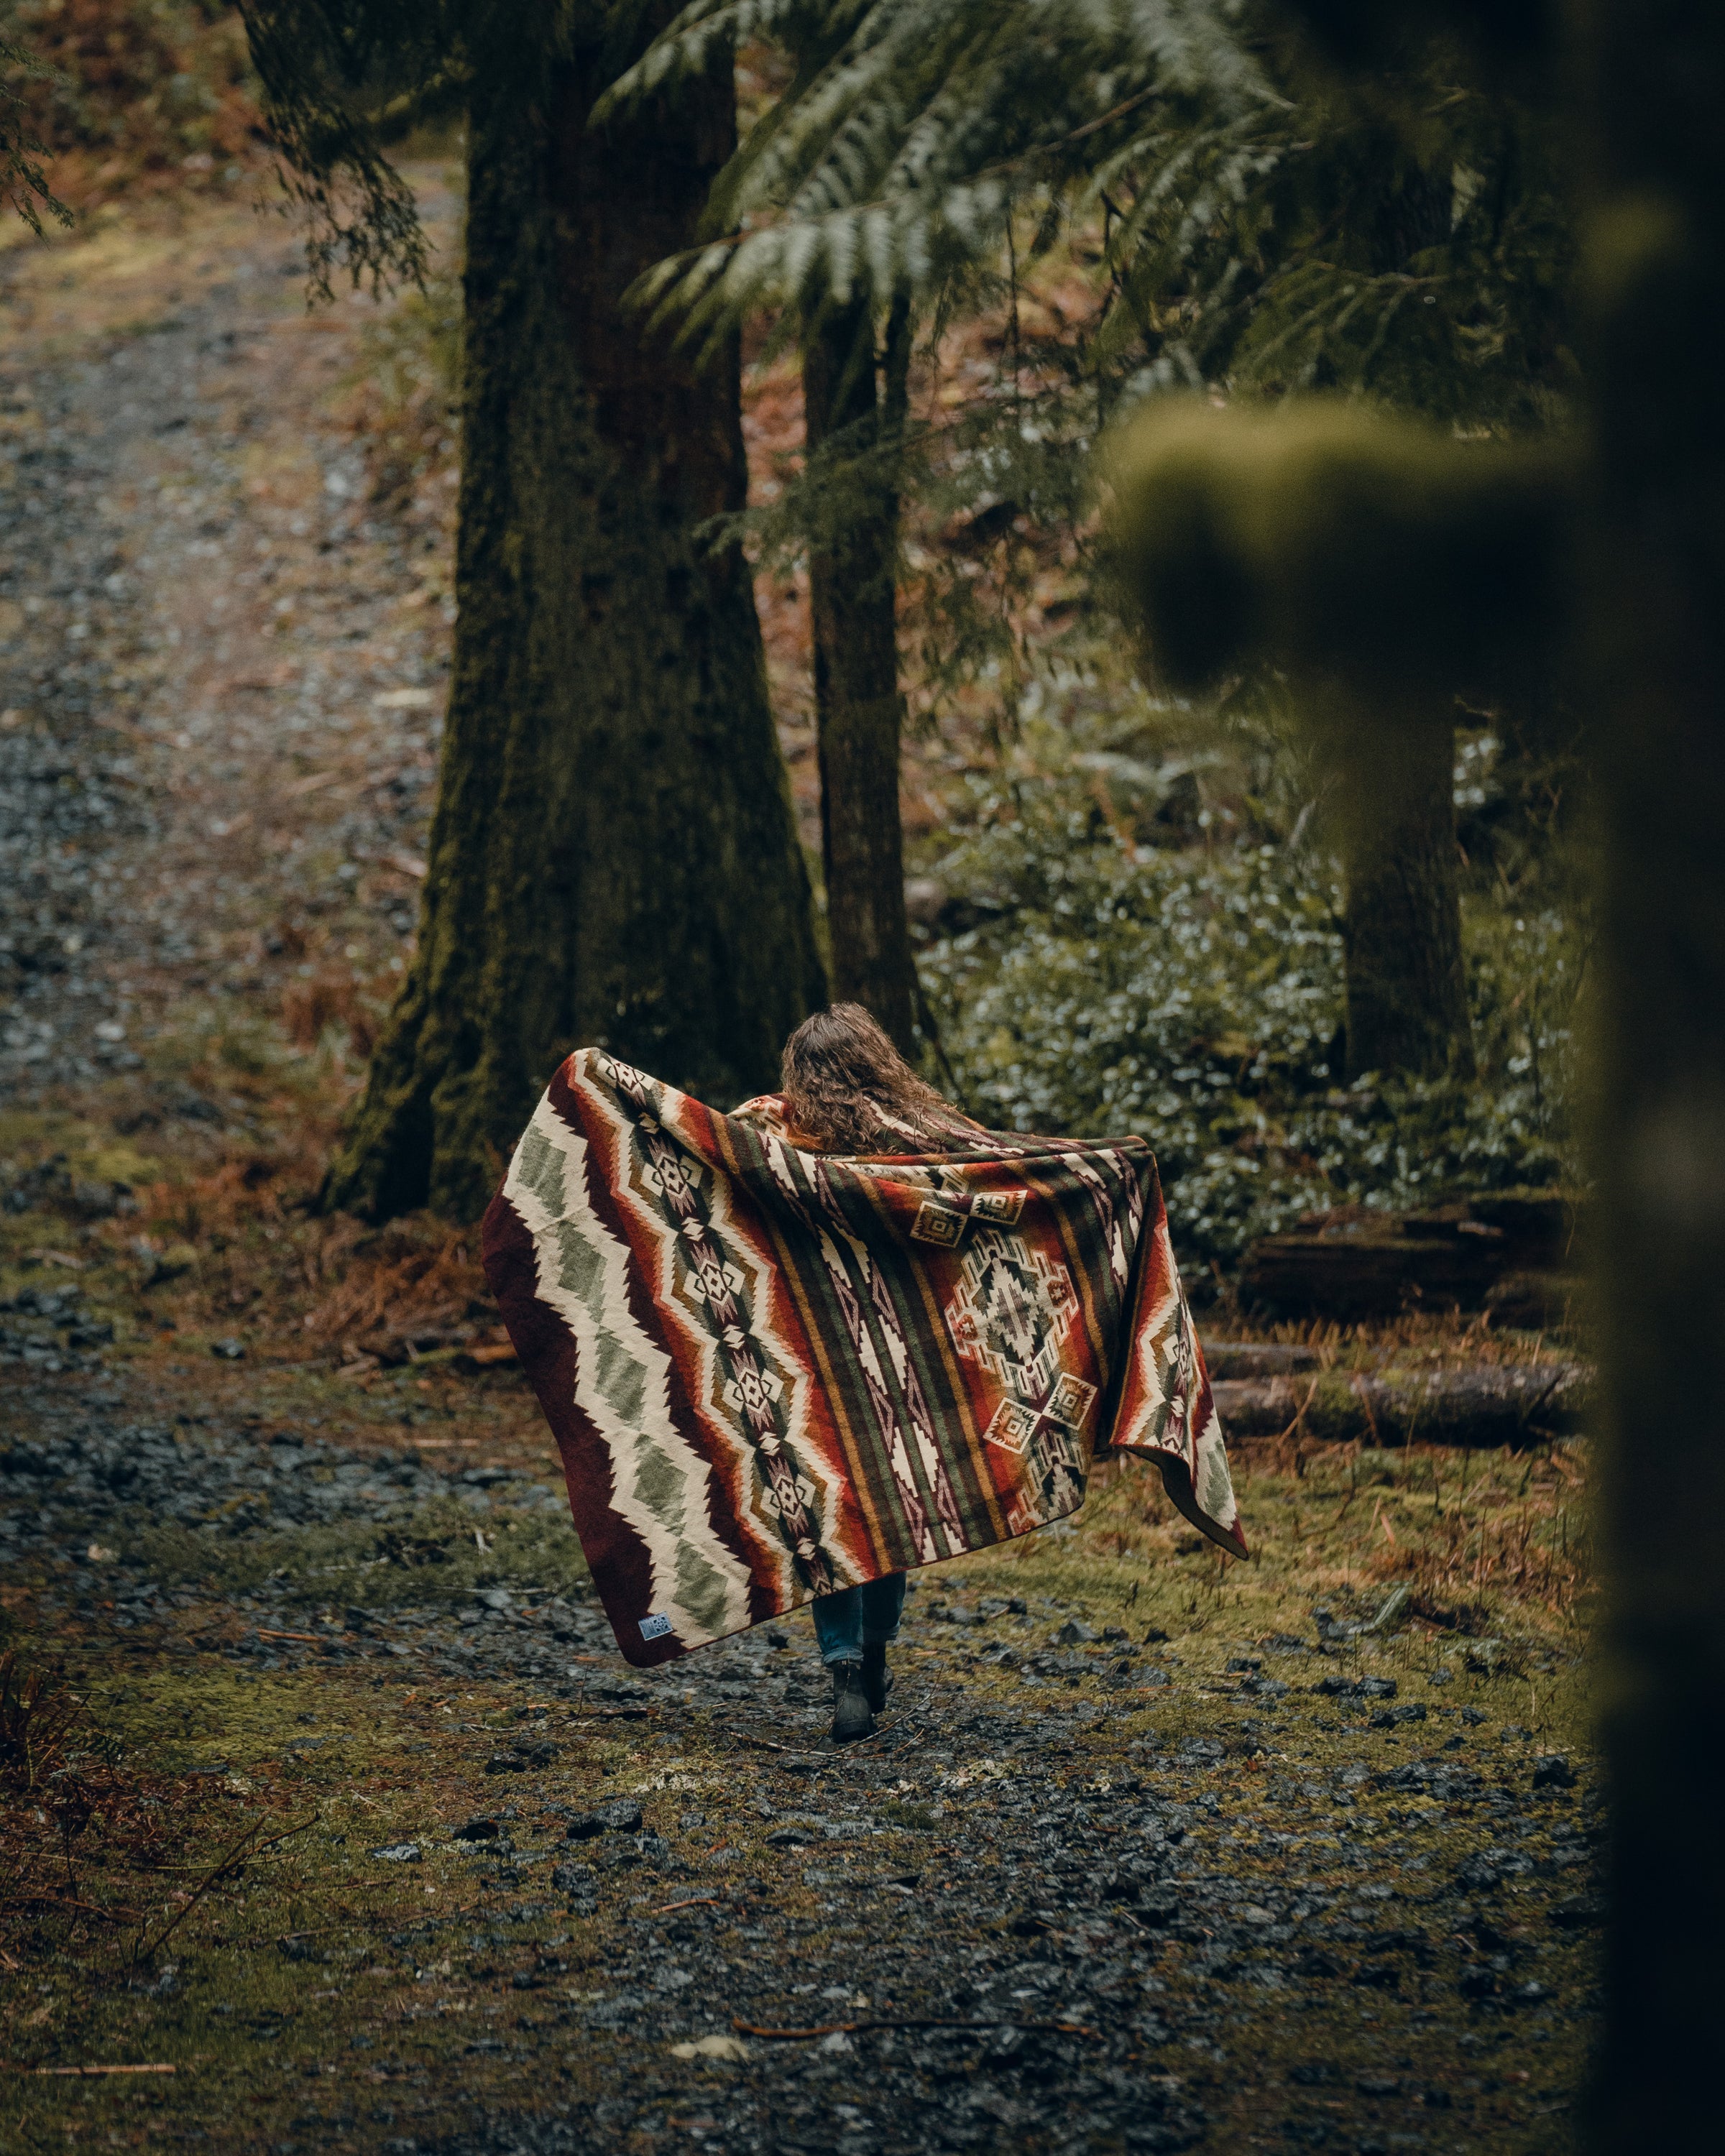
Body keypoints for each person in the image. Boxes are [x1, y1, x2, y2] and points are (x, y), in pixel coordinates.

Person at [735, 1003, 985, 1742]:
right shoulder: (917, 1139)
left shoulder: (767, 1131)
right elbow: (984, 1191)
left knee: (829, 1513)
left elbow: (704, 1159)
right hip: (903, 1360)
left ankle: (844, 1666)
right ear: (876, 1062)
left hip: (810, 1358)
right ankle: (875, 1654)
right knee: (891, 1511)